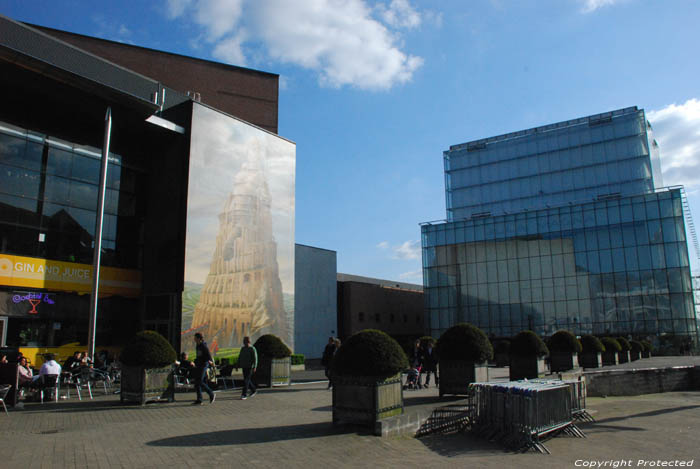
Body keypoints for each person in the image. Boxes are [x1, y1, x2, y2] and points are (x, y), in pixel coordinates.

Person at [192, 332, 216, 405]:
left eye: (195, 338)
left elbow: (208, 355)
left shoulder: (203, 346)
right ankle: (199, 399)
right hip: (199, 365)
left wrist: (211, 362)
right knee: (197, 382)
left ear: (199, 338)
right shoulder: (198, 346)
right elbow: (198, 356)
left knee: (200, 381)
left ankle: (211, 393)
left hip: (203, 365)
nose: (194, 339)